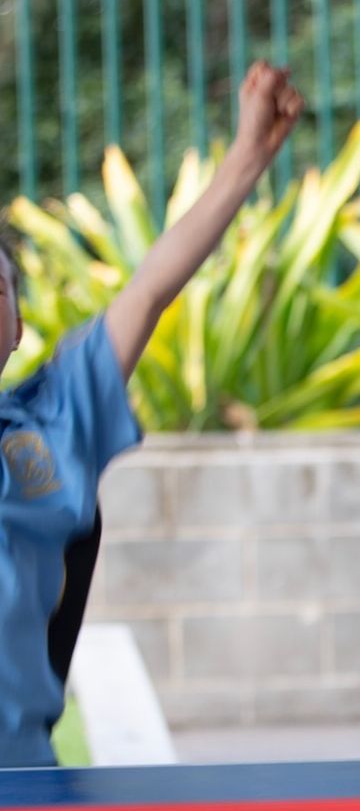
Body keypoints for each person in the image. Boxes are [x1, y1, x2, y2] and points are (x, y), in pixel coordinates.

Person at [0, 61, 304, 767]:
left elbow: (148, 291)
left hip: (22, 787)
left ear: (15, 326)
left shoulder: (53, 414)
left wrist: (248, 156)